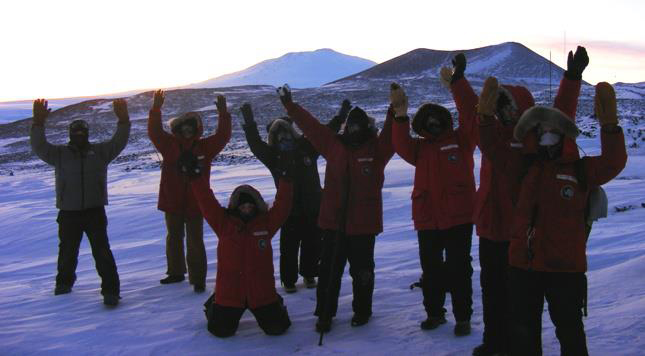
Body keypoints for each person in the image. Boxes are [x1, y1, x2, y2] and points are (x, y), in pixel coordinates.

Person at [479, 79, 627, 356]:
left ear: (564, 133)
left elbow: (613, 162)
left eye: (553, 129)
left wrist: (609, 127)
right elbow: (491, 148)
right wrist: (485, 119)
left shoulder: (581, 170)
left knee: (570, 332)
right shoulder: (521, 166)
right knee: (523, 334)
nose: (547, 133)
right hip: (523, 266)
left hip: (565, 269)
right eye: (541, 128)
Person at [473, 47, 589, 356]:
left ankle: (513, 344)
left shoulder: (533, 138)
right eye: (499, 108)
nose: (505, 113)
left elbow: (563, 112)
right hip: (489, 227)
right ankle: (495, 342)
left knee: (520, 301)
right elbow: (471, 115)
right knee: (491, 292)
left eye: (508, 106)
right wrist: (462, 86)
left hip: (520, 234)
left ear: (522, 107)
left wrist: (572, 78)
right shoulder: (491, 134)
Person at [277, 84, 394, 331]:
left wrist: (395, 109)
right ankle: (325, 314)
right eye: (350, 126)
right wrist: (290, 106)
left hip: (363, 225)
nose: (354, 130)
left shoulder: (376, 150)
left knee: (363, 272)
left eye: (358, 126)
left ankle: (362, 311)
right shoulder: (334, 145)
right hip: (333, 223)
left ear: (368, 128)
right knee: (329, 273)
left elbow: (392, 135)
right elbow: (311, 127)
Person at [390, 53, 478, 336]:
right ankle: (435, 314)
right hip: (428, 219)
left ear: (445, 120)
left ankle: (463, 318)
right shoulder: (420, 149)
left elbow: (470, 115)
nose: (434, 125)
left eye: (437, 120)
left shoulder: (461, 142)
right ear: (422, 126)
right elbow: (400, 143)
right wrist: (400, 115)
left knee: (460, 270)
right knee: (431, 271)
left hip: (459, 218)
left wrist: (458, 83)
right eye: (428, 122)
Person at [30, 98, 130, 306]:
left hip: (95, 211)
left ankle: (111, 291)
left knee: (102, 252)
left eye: (82, 132)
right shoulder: (60, 154)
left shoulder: (100, 153)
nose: (79, 136)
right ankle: (64, 284)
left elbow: (118, 142)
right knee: (67, 252)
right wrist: (38, 124)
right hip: (68, 213)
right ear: (70, 135)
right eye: (75, 133)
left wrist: (123, 120)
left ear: (87, 134)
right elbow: (39, 146)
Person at [240, 100, 348, 293]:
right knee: (288, 247)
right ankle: (288, 280)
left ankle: (309, 274)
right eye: (278, 134)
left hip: (313, 205)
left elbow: (323, 133)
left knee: (312, 242)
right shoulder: (273, 156)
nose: (284, 137)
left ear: (292, 131)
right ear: (273, 137)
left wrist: (341, 117)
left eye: (286, 131)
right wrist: (249, 122)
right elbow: (256, 145)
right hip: (287, 210)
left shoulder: (307, 147)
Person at [190, 154, 294, 337]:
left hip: (261, 292)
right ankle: (215, 302)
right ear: (236, 207)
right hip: (230, 293)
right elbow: (206, 201)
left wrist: (286, 180)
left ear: (257, 206)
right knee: (221, 331)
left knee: (278, 328)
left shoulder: (266, 224)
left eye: (250, 206)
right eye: (243, 206)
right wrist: (196, 177)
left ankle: (275, 302)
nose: (247, 210)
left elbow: (283, 206)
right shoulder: (224, 223)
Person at [147, 90, 231, 292]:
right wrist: (156, 109)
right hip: (172, 200)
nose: (187, 130)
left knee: (195, 240)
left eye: (190, 127)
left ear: (196, 129)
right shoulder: (168, 145)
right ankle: (175, 272)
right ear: (177, 129)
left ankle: (198, 278)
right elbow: (155, 132)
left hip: (196, 201)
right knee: (173, 237)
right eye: (183, 127)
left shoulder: (205, 147)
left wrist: (223, 114)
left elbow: (223, 136)